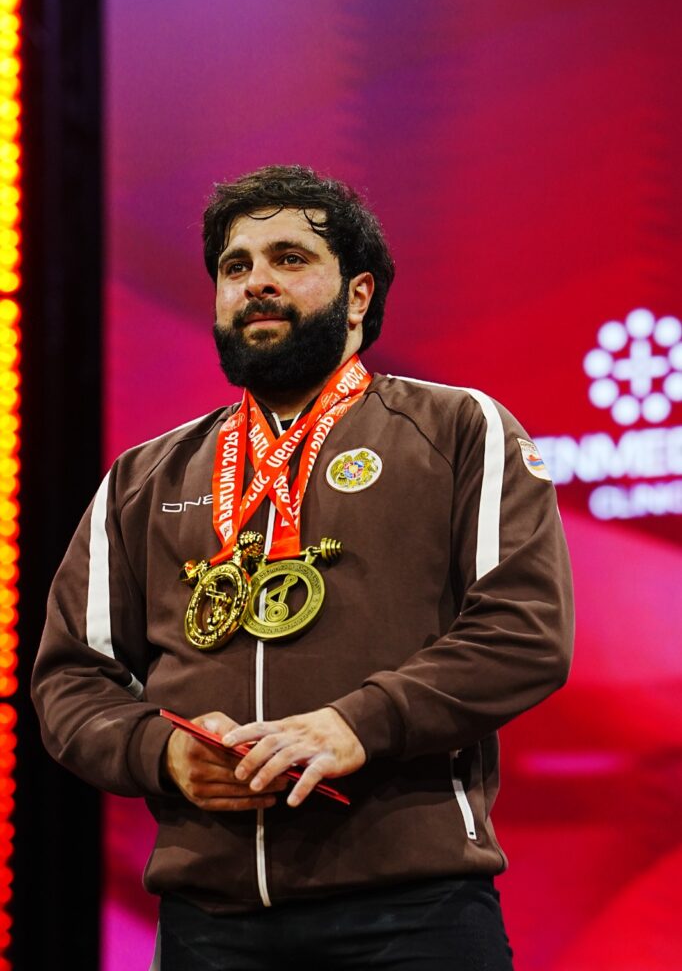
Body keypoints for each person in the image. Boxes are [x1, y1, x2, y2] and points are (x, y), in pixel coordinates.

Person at [33, 165, 574, 970]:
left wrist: (357, 723)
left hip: (412, 911)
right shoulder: (145, 477)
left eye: (289, 258)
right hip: (208, 920)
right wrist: (163, 753)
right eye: (236, 265)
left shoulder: (459, 429)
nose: (256, 282)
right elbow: (72, 679)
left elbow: (523, 633)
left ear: (358, 296)